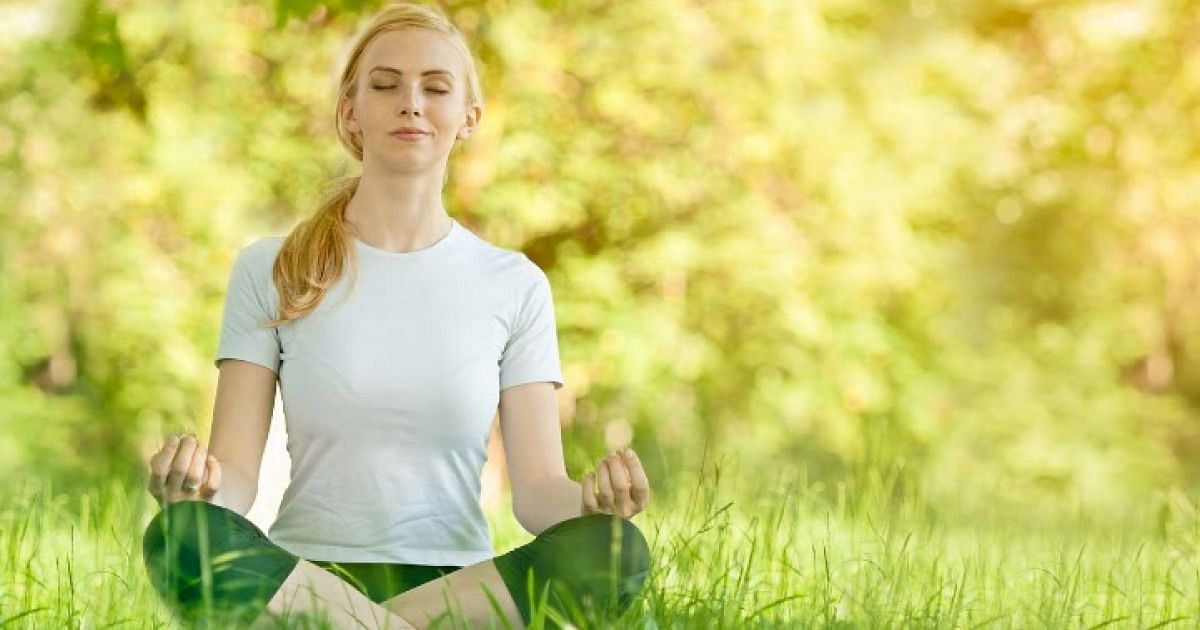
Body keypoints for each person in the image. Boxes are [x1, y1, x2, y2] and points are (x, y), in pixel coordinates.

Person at [140, 3, 652, 628]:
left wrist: (598, 504)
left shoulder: (514, 283)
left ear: (469, 118)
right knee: (181, 535)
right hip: (303, 581)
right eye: (385, 85)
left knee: (616, 553)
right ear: (351, 111)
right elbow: (238, 480)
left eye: (435, 88)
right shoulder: (271, 268)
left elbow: (540, 495)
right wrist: (195, 495)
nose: (410, 102)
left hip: (462, 591)